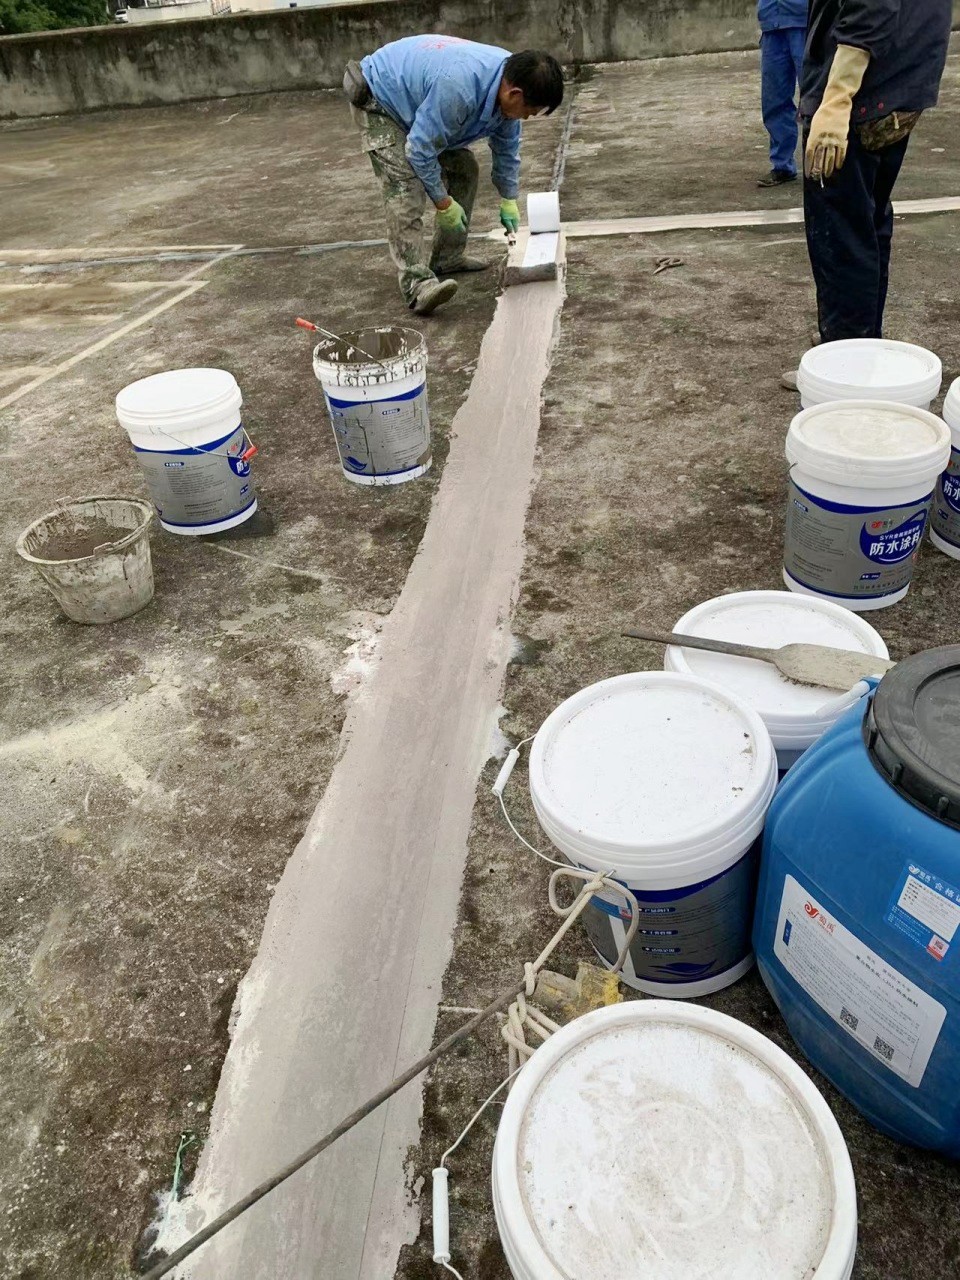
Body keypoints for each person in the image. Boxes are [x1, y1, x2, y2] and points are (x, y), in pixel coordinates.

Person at [343, 37, 564, 316]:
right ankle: (417, 285)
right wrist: (443, 202)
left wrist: (509, 198)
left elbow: (507, 149)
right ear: (515, 93)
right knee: (405, 188)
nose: (526, 118)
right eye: (529, 112)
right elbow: (419, 150)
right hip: (379, 98)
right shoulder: (459, 88)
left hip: (418, 102)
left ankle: (447, 258)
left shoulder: (510, 83)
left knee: (464, 169)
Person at [801, 0, 953, 343]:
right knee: (868, 221)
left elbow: (872, 5)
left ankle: (846, 354)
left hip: (862, 91)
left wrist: (837, 98)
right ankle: (863, 341)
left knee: (842, 237)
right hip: (899, 79)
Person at [757, 0, 809, 187]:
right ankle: (782, 165)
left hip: (805, 21)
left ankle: (823, 164)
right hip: (772, 21)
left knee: (814, 98)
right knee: (774, 100)